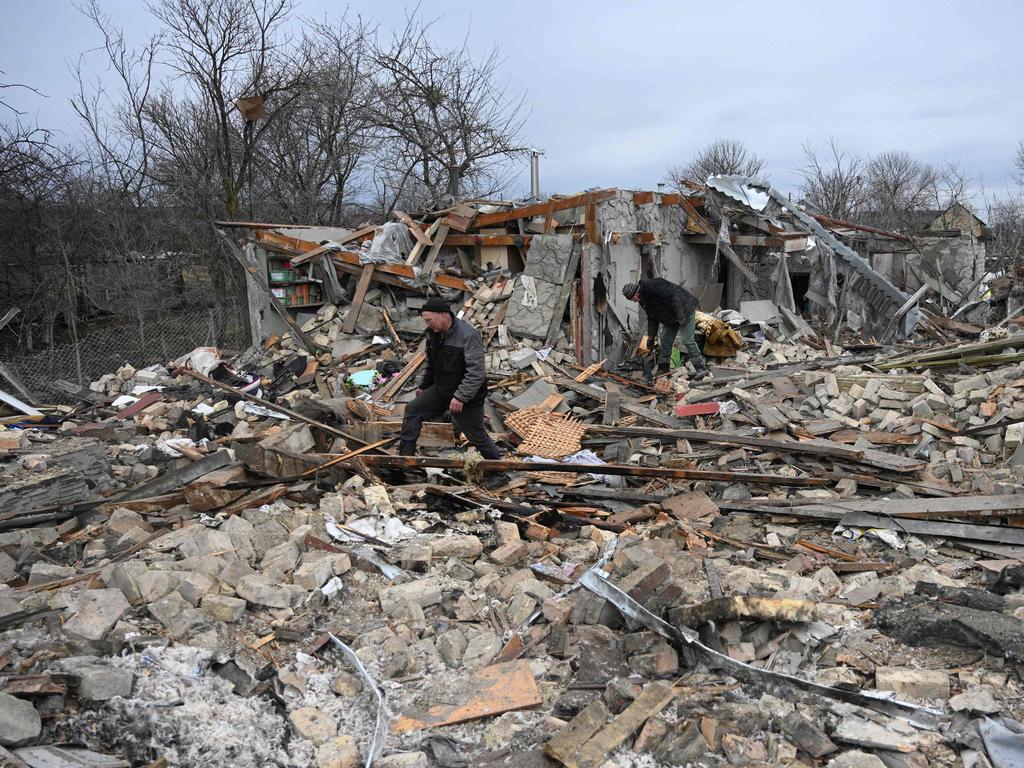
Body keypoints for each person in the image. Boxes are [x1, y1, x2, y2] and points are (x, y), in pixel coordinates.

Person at [398, 296, 503, 459]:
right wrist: (424, 386)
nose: (427, 324)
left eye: (429, 320)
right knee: (413, 410)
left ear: (443, 315)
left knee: (476, 436)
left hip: (468, 398)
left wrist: (460, 397)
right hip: (442, 390)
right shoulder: (433, 334)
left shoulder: (468, 335)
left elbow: (476, 373)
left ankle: (498, 473)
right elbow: (431, 364)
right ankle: (405, 461)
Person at [622, 278, 710, 379]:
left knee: (687, 340)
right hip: (671, 317)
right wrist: (651, 336)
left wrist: (680, 316)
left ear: (635, 294)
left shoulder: (654, 286)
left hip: (685, 310)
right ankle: (663, 368)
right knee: (665, 339)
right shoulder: (644, 299)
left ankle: (700, 368)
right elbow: (652, 316)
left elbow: (673, 297)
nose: (634, 301)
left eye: (633, 299)